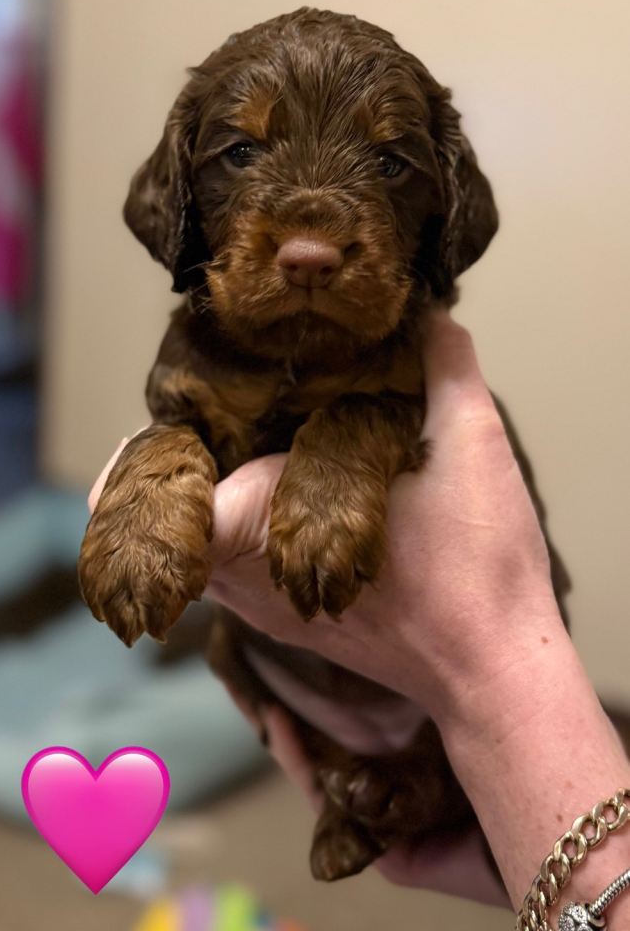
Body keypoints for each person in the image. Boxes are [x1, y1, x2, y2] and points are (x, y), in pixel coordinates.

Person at [90, 311, 630, 921]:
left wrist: (497, 699)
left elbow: (402, 415)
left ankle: (409, 784)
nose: (307, 262)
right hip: (301, 688)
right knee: (226, 650)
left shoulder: (401, 362)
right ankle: (365, 783)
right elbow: (180, 421)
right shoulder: (200, 358)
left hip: (438, 726)